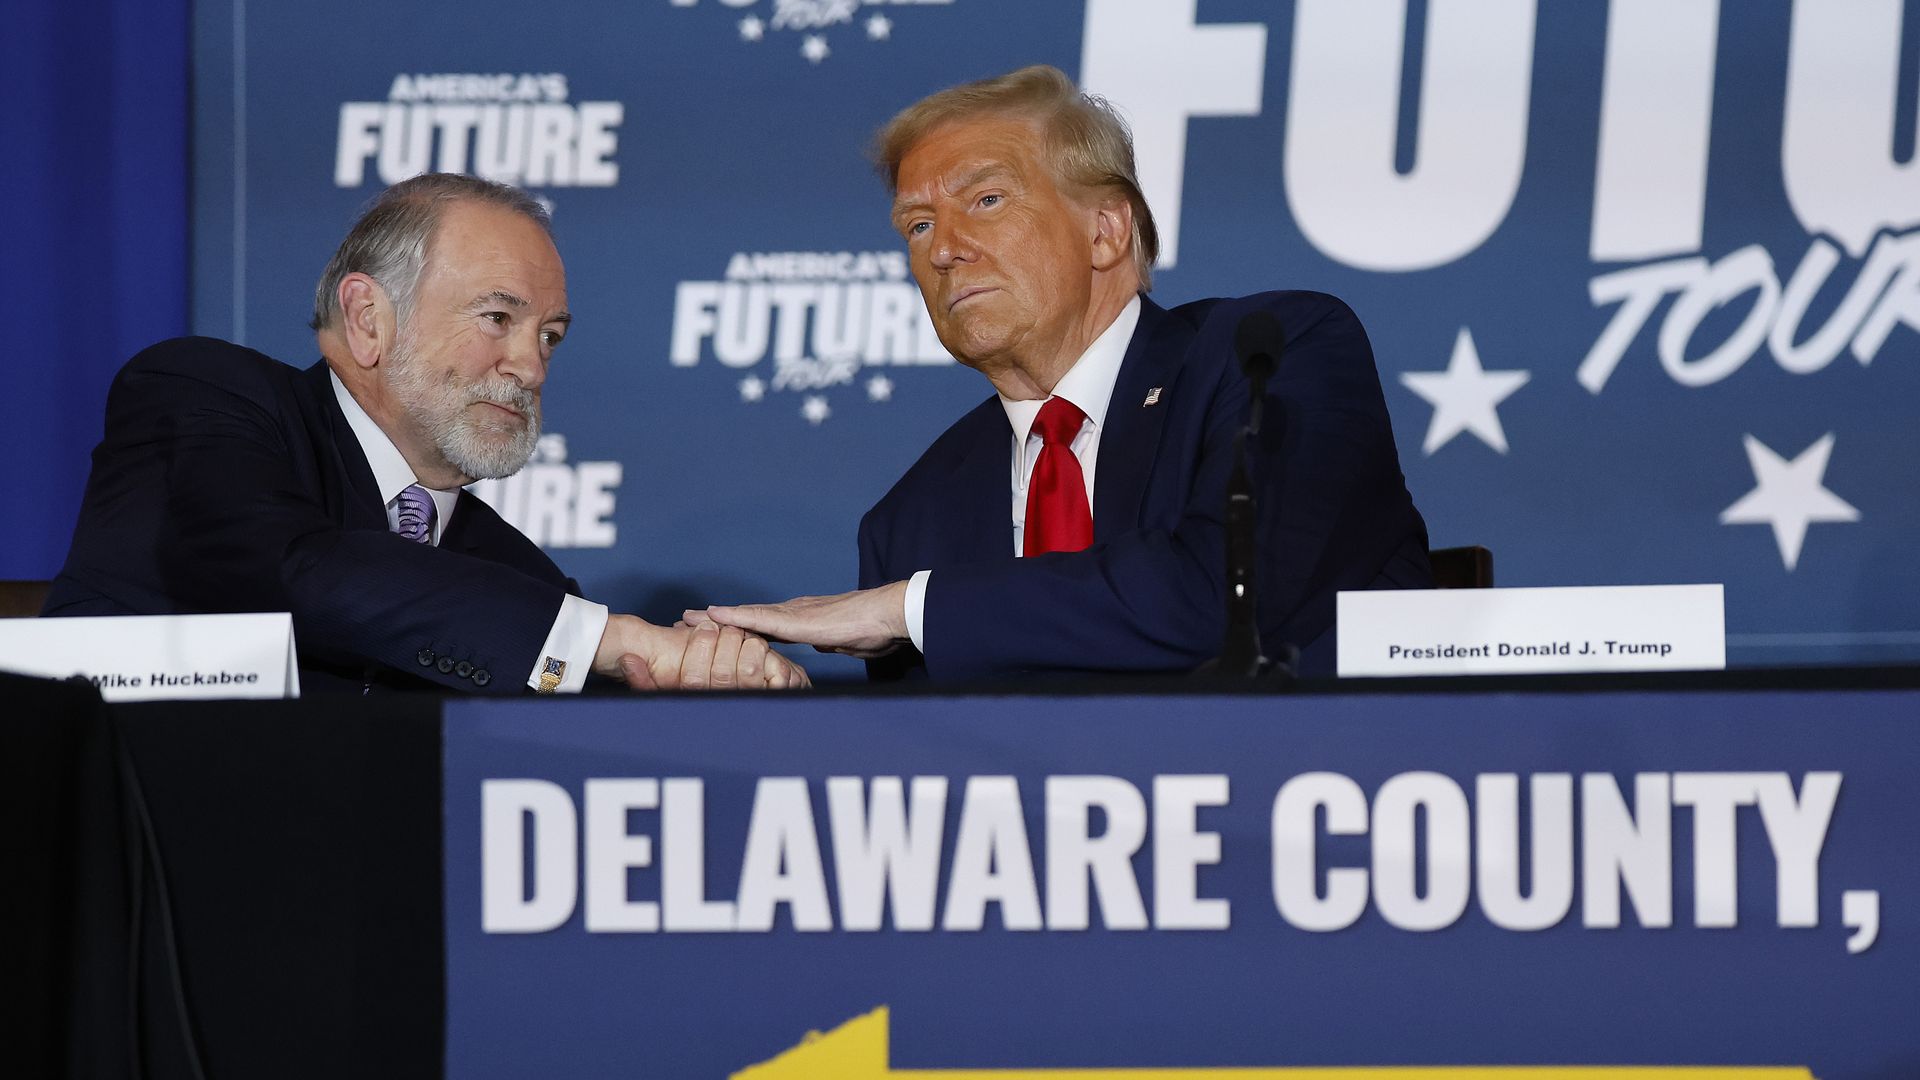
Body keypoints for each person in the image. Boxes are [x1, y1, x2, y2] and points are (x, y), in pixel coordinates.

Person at [697, 66, 1429, 680]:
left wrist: (908, 610)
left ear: (1106, 231)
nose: (944, 249)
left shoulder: (1270, 358)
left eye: (986, 200)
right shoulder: (910, 521)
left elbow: (1224, 597)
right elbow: (923, 770)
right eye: (918, 225)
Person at [43, 173, 805, 694]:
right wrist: (616, 642)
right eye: (498, 319)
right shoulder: (201, 392)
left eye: (550, 337)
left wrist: (711, 678)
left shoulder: (520, 579)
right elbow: (286, 567)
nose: (531, 368)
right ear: (370, 319)